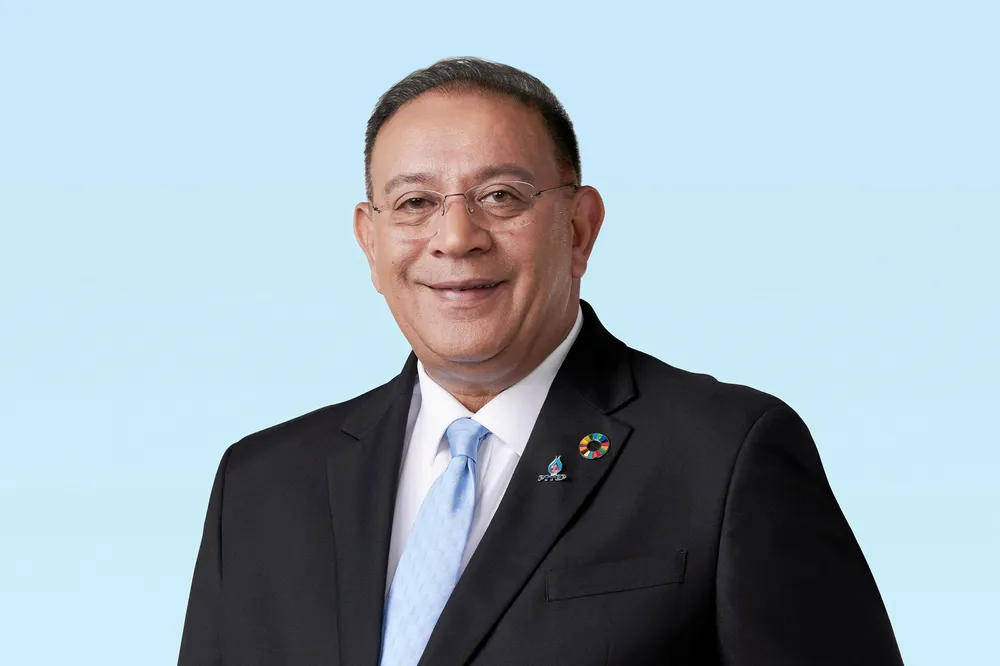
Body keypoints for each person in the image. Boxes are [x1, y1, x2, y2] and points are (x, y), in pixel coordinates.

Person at [178, 57, 904, 665]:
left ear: (580, 227)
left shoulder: (724, 457)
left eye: (501, 196)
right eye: (415, 202)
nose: (456, 237)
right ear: (370, 241)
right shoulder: (262, 486)